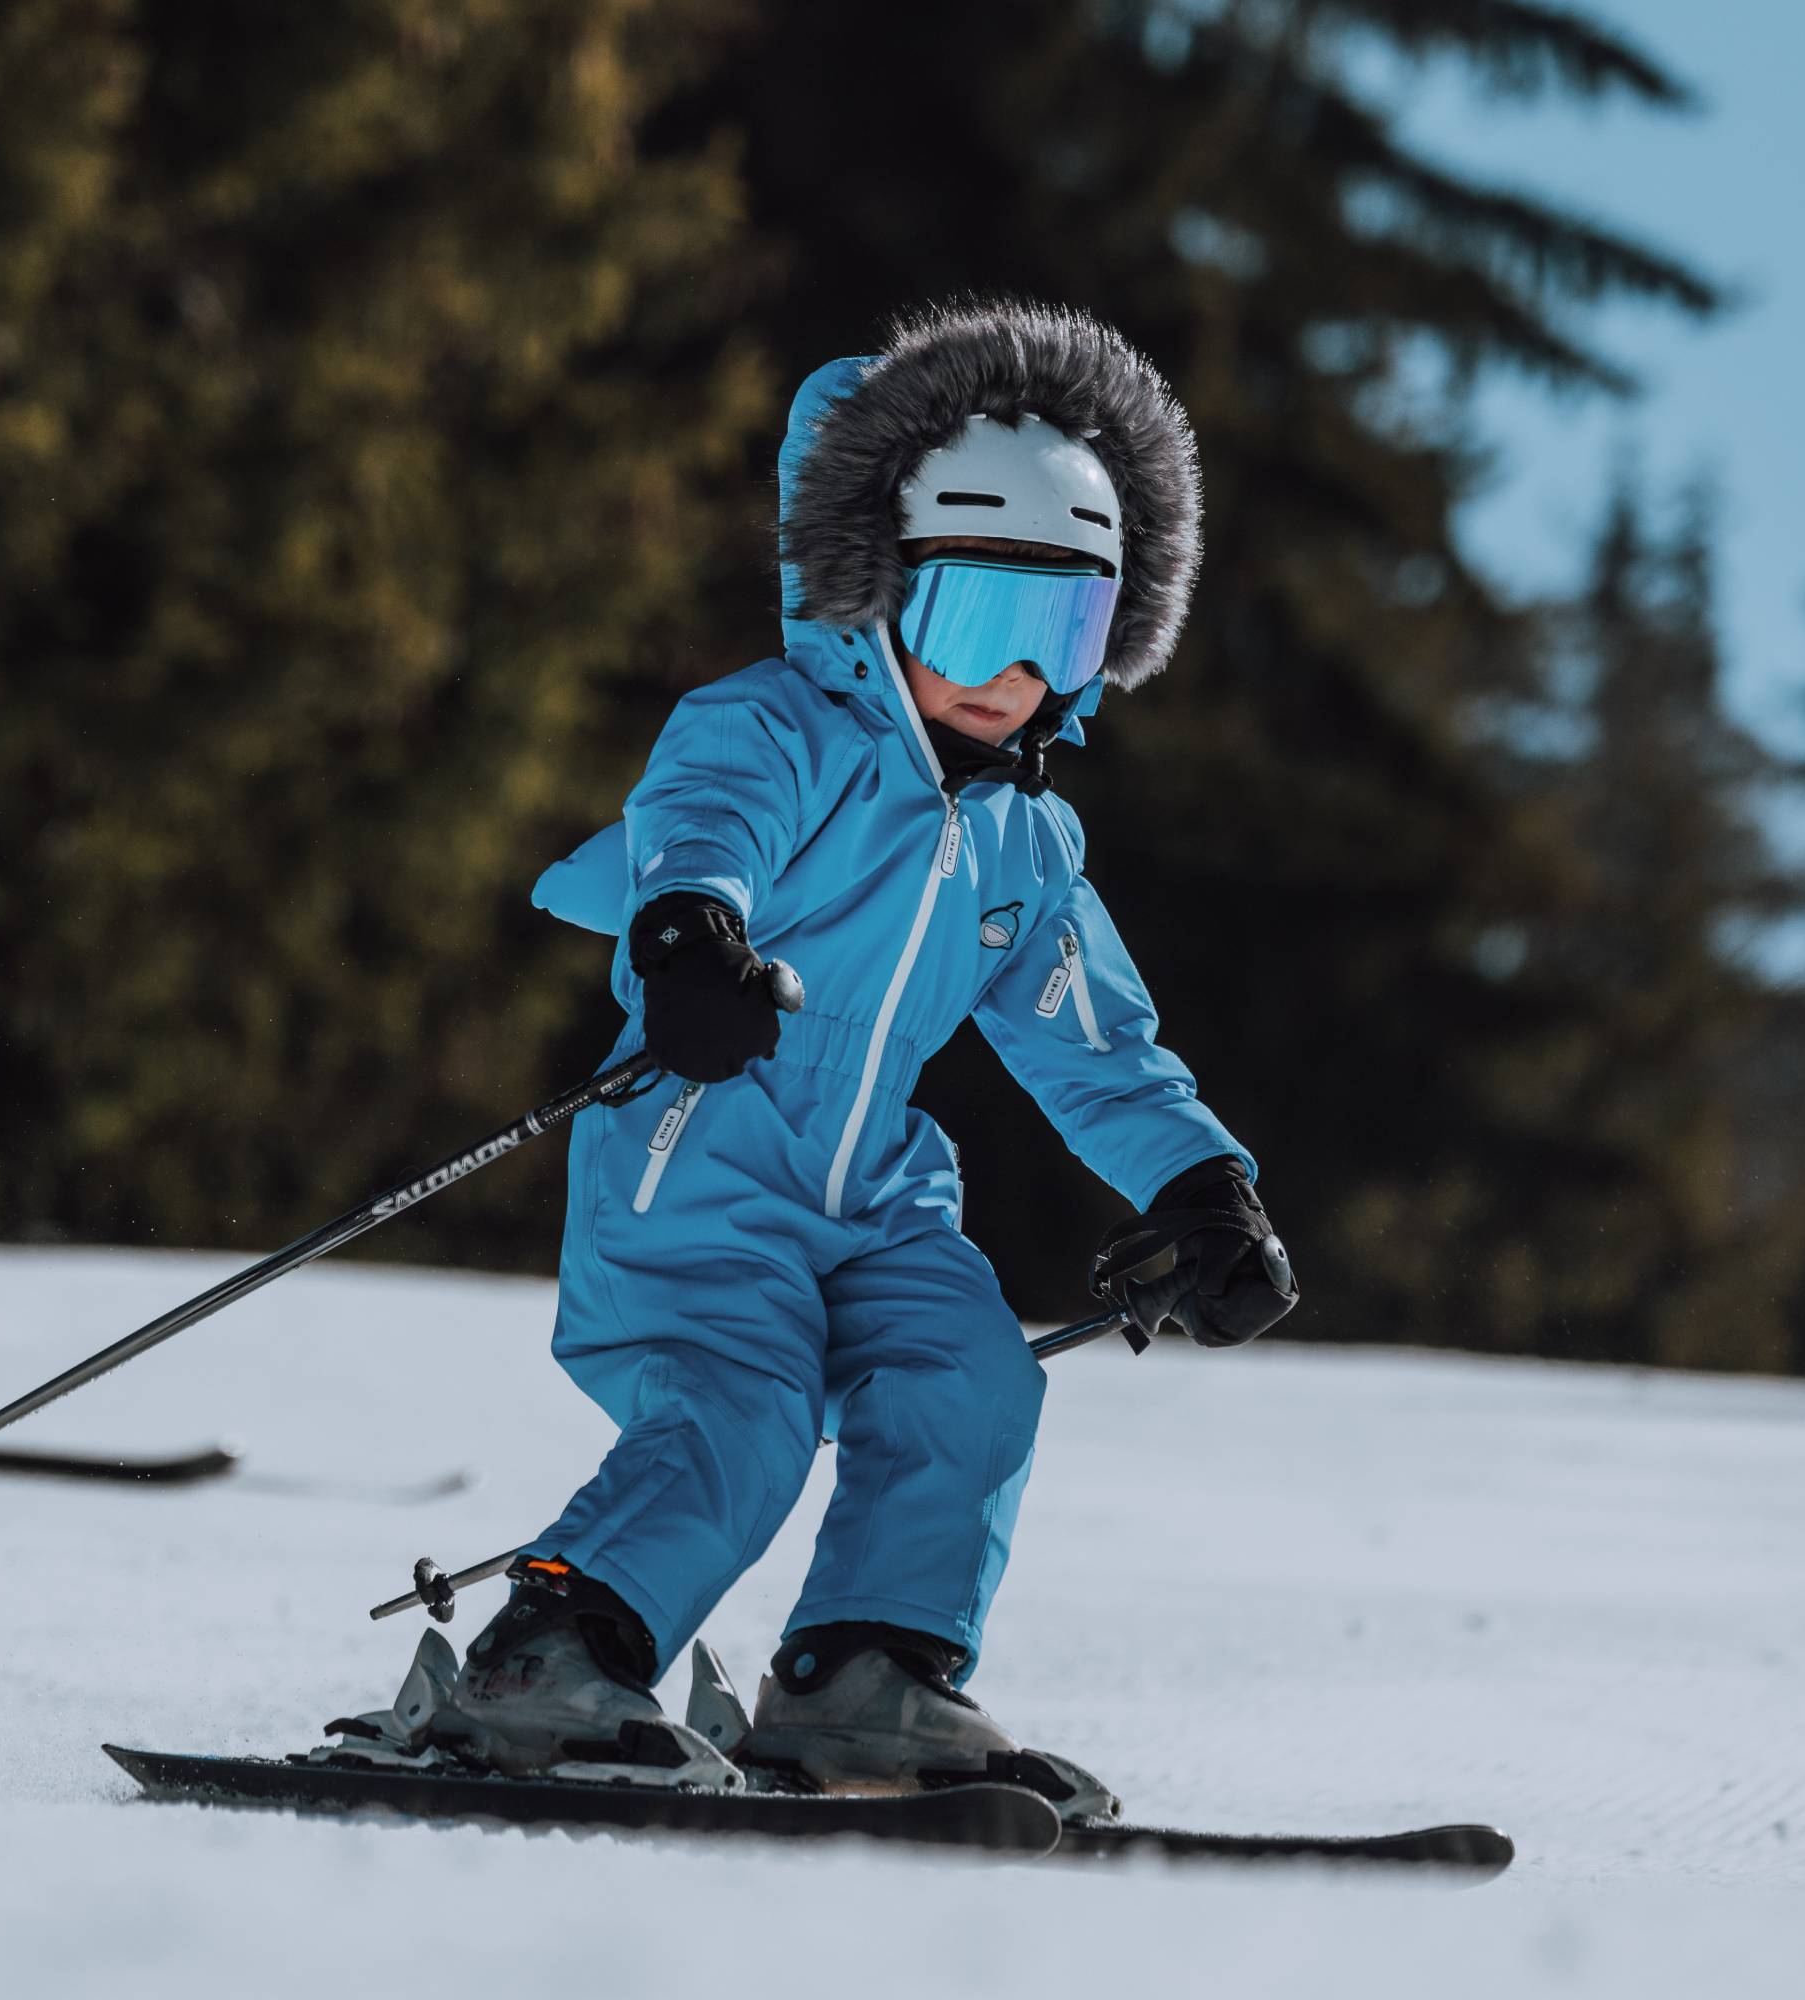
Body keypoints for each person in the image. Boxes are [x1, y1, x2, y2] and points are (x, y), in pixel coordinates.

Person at [425, 299, 1297, 1799]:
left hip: (883, 1190)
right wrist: (691, 938)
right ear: (878, 588)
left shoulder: (1027, 843)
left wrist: (1203, 1184)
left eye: (1060, 631)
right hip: (703, 1152)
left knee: (969, 1376)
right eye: (975, 616)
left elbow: (1096, 1043)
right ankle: (546, 1657)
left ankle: (865, 1673)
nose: (1007, 676)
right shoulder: (774, 732)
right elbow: (699, 834)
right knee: (742, 1410)